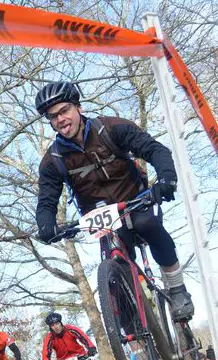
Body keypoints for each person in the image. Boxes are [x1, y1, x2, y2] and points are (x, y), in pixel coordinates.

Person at [33, 81, 194, 323]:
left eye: (64, 110)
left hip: (135, 201)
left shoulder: (111, 128)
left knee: (148, 225)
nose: (60, 119)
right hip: (102, 218)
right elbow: (46, 201)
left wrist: (166, 180)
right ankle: (135, 340)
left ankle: (177, 289)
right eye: (52, 116)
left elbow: (155, 150)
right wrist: (46, 226)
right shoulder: (53, 160)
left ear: (78, 107)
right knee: (114, 270)